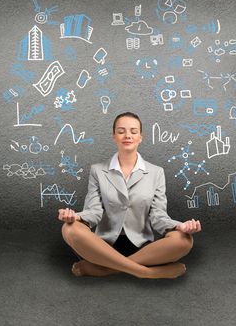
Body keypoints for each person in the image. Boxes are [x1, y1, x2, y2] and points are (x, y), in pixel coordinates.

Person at [58, 112, 201, 279]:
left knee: (184, 240)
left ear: (140, 137)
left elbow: (158, 216)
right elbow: (94, 212)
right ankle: (146, 272)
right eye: (121, 131)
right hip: (103, 246)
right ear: (114, 136)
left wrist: (180, 227)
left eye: (133, 131)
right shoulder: (97, 170)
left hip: (142, 247)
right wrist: (75, 217)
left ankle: (104, 269)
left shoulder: (156, 172)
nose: (127, 135)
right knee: (69, 229)